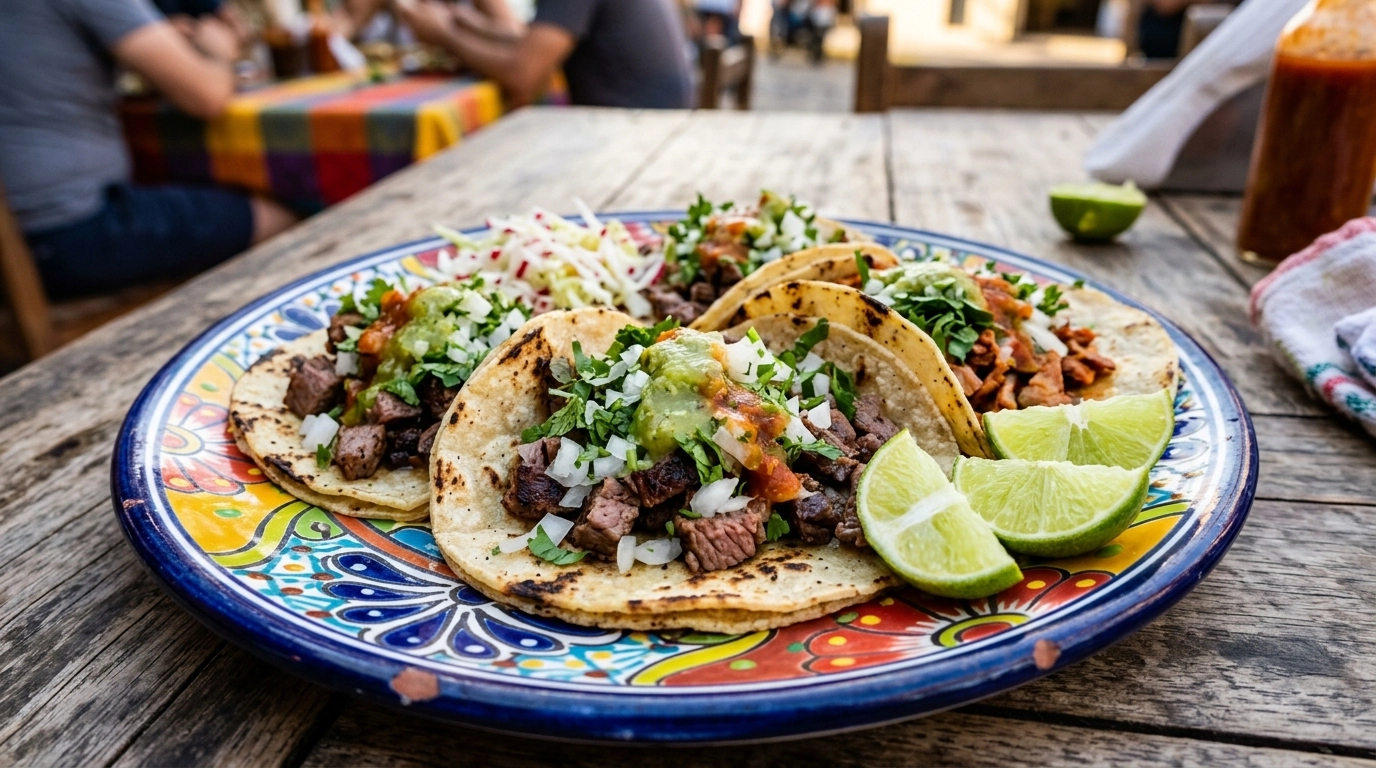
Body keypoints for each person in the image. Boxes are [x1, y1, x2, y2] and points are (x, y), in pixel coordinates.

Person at [0, 0, 297, 299]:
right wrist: (219, 51)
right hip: (65, 236)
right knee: (288, 210)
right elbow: (207, 96)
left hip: (30, 238)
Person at [392, 0, 694, 109]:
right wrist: (462, 21)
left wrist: (445, 36)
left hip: (629, 143)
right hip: (652, 126)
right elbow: (530, 42)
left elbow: (523, 76)